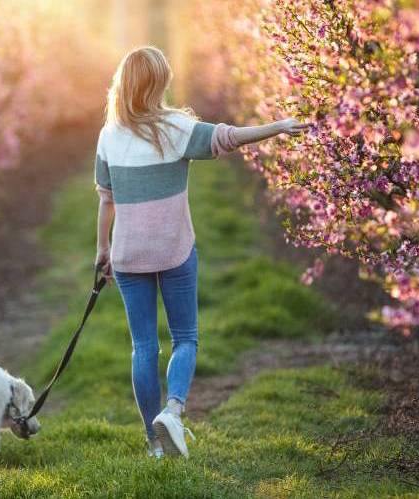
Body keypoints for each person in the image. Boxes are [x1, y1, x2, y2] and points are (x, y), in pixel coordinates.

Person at [93, 46, 308, 458]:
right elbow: (227, 137)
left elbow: (106, 199)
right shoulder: (175, 128)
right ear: (158, 85)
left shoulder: (109, 135)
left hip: (127, 254)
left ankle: (153, 440)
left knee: (142, 347)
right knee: (185, 337)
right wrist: (277, 126)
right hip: (174, 249)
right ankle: (172, 412)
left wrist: (102, 250)